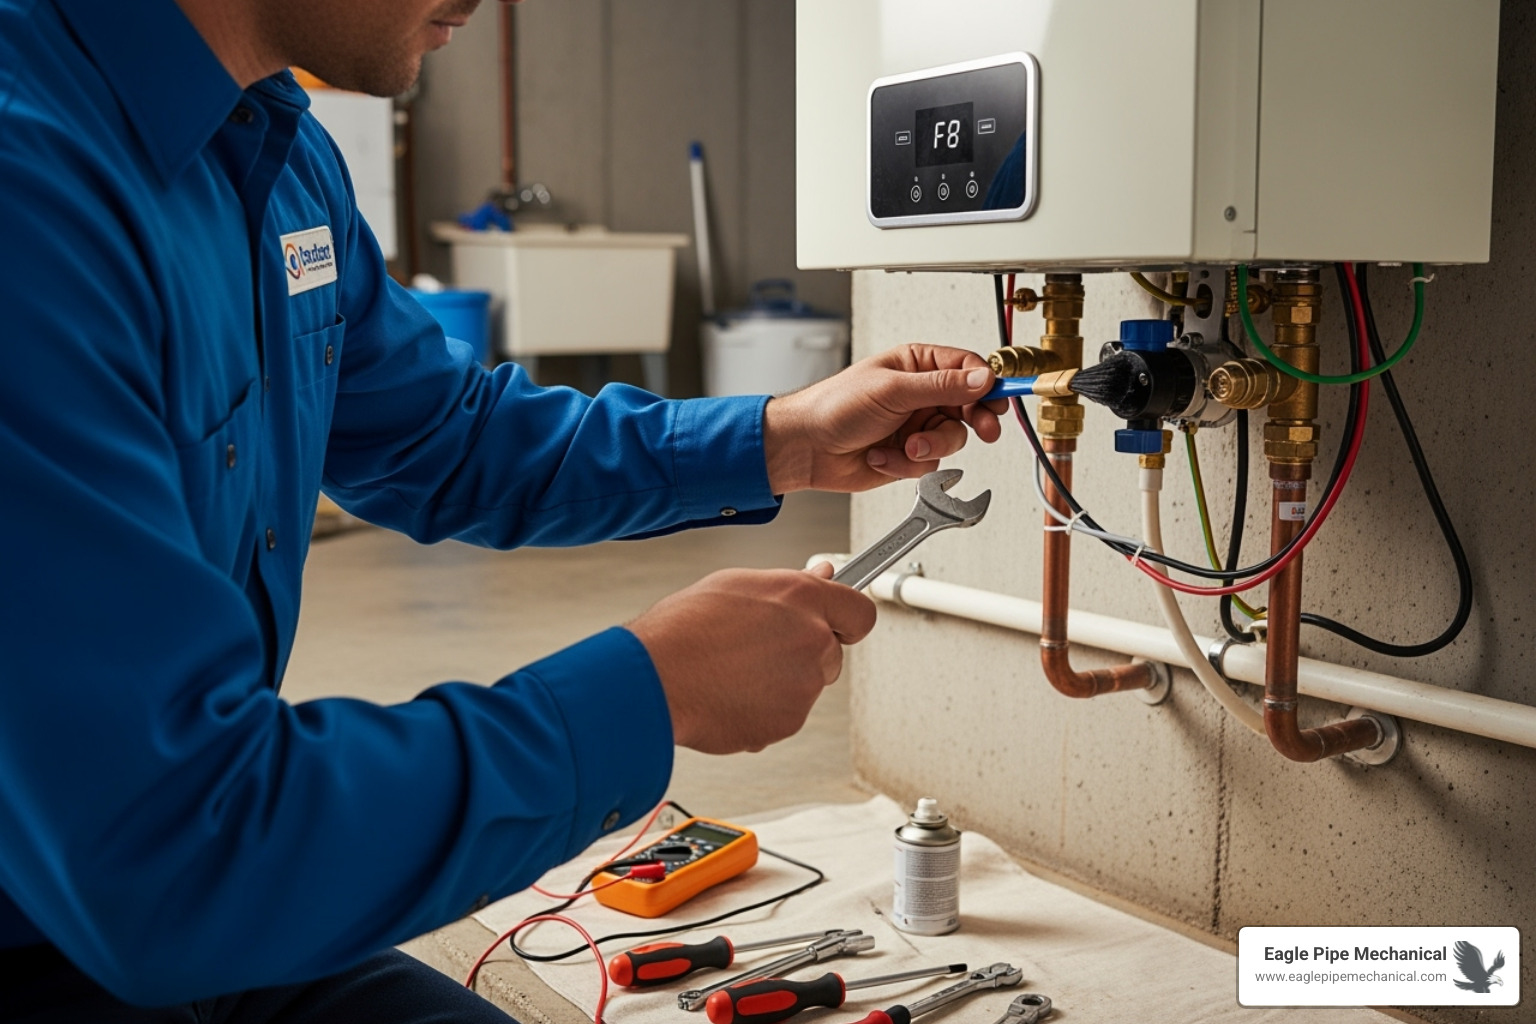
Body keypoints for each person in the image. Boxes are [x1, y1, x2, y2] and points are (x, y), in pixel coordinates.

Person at [0, 0, 1003, 1019]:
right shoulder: (30, 190)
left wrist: (781, 436)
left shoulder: (271, 150)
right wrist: (654, 690)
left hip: (200, 918)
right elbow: (182, 853)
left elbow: (443, 434)